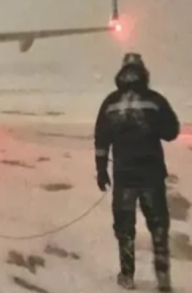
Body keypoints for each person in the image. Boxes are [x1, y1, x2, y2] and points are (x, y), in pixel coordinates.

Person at [94, 52, 180, 291]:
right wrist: (152, 124)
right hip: (151, 175)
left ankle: (127, 275)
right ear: (143, 72)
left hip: (125, 176)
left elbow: (101, 138)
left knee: (125, 228)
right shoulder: (154, 100)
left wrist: (101, 169)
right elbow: (172, 131)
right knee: (159, 226)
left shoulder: (111, 103)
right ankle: (163, 278)